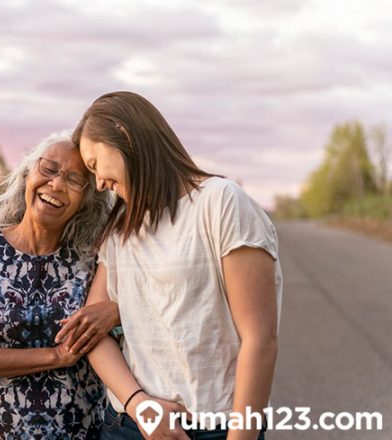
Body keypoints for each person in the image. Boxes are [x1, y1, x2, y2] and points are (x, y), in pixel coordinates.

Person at [56, 91, 282, 440]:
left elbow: (260, 339)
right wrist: (139, 406)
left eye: (94, 164)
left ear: (123, 133)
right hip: (130, 426)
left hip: (214, 427)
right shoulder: (120, 229)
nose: (98, 182)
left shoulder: (219, 203)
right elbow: (93, 334)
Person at [0, 131, 113, 439]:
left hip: (79, 429)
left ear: (87, 201)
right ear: (27, 174)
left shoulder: (95, 259)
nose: (57, 184)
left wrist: (115, 310)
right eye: (48, 169)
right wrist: (56, 356)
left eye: (75, 180)